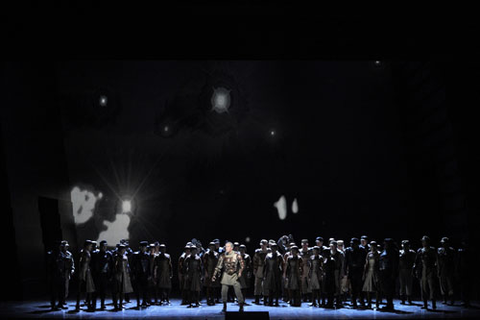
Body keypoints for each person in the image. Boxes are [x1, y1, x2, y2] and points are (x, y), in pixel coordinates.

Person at [212, 241, 245, 312]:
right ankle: (224, 306)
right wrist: (215, 275)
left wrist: (239, 272)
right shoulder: (223, 256)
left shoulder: (237, 255)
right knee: (223, 291)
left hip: (234, 274)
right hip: (226, 274)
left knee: (238, 290)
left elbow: (242, 265)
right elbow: (218, 266)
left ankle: (241, 305)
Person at [414, 235, 438, 310]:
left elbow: (436, 260)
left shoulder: (432, 250)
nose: (423, 243)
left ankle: (433, 304)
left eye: (424, 241)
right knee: (423, 288)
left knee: (432, 287)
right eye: (423, 241)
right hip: (423, 270)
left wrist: (435, 269)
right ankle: (425, 304)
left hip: (430, 270)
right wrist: (415, 270)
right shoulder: (420, 250)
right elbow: (416, 261)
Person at [344, 237, 367, 308]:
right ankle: (354, 302)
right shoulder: (348, 250)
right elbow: (346, 261)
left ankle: (361, 301)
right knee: (353, 287)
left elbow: (363, 261)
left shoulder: (362, 250)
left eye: (353, 244)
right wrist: (345, 270)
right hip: (352, 271)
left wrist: (357, 264)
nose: (351, 245)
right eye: (351, 243)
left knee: (360, 287)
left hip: (359, 271)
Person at [378, 238, 398, 311]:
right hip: (383, 272)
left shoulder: (393, 252)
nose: (385, 244)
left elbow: (394, 264)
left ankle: (390, 304)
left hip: (389, 272)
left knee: (389, 289)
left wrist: (393, 273)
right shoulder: (384, 251)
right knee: (385, 289)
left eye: (386, 243)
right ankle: (388, 304)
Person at [92, 240, 113, 310]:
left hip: (105, 275)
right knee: (95, 291)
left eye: (105, 246)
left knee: (103, 291)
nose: (105, 248)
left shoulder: (109, 254)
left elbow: (111, 265)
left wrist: (110, 275)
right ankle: (93, 304)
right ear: (100, 247)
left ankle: (102, 304)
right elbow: (92, 265)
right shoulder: (95, 254)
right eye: (103, 246)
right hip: (97, 275)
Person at [112, 244, 133, 311]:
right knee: (116, 291)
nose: (124, 251)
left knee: (122, 291)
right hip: (118, 276)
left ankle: (120, 304)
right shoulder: (116, 257)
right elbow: (114, 266)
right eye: (123, 249)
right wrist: (116, 274)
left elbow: (127, 266)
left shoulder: (125, 257)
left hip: (124, 275)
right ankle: (116, 305)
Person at [46, 241, 67, 311]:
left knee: (62, 291)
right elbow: (49, 265)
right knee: (54, 291)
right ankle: (53, 305)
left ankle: (60, 304)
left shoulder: (61, 254)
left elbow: (64, 263)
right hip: (54, 275)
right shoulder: (51, 254)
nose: (60, 247)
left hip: (61, 275)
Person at [75, 240, 95, 311]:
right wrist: (83, 275)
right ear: (87, 246)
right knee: (87, 289)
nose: (91, 247)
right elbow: (83, 264)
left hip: (85, 271)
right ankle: (88, 305)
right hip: (85, 272)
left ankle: (79, 305)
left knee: (84, 290)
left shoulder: (84, 252)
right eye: (90, 246)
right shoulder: (85, 253)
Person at [131, 241, 151, 308]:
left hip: (145, 275)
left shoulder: (147, 255)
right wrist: (133, 274)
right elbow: (132, 265)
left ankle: (144, 301)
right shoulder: (135, 255)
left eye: (145, 247)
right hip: (138, 274)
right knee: (137, 290)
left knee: (145, 289)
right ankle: (138, 302)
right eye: (142, 247)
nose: (143, 248)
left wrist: (149, 274)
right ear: (140, 247)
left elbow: (149, 266)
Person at [437, 237, 455, 305]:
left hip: (449, 269)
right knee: (443, 285)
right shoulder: (440, 250)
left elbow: (453, 261)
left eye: (444, 243)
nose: (443, 244)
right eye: (442, 243)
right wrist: (438, 270)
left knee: (450, 285)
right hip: (442, 270)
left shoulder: (451, 250)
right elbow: (438, 261)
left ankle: (451, 299)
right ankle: (444, 298)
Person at [362, 240, 380, 309]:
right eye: (371, 246)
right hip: (369, 271)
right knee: (368, 288)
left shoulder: (379, 254)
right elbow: (366, 264)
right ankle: (369, 303)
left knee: (377, 288)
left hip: (376, 272)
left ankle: (377, 303)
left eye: (373, 246)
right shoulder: (369, 254)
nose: (372, 247)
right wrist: (364, 273)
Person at [398, 240, 416, 305]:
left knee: (409, 285)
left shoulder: (412, 252)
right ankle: (402, 299)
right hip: (402, 270)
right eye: (403, 245)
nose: (404, 246)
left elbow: (414, 262)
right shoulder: (400, 252)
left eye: (406, 245)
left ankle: (409, 299)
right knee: (402, 285)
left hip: (409, 270)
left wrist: (413, 269)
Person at [252, 239, 269, 305]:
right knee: (257, 284)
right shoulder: (258, 251)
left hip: (266, 269)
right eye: (261, 245)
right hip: (259, 268)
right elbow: (255, 261)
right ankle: (257, 299)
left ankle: (265, 299)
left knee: (265, 284)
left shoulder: (269, 251)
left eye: (264, 245)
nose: (262, 246)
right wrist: (255, 269)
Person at [456, 240, 471, 307]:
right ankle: (463, 300)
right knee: (463, 287)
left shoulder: (469, 251)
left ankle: (467, 300)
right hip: (462, 271)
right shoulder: (460, 252)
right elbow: (458, 262)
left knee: (467, 287)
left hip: (467, 271)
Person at [60, 240, 75, 307]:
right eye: (65, 246)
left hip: (66, 272)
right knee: (61, 287)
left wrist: (72, 269)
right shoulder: (59, 254)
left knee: (66, 288)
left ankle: (63, 300)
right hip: (60, 273)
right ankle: (60, 301)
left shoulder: (69, 254)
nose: (66, 248)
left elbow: (72, 263)